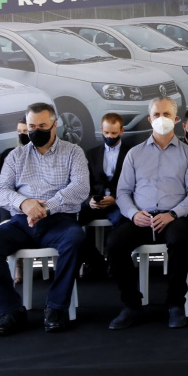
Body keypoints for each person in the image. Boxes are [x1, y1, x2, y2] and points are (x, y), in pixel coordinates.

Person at [0, 102, 90, 336]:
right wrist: (24, 203)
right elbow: (0, 191)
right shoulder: (16, 156)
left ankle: (55, 307)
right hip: (21, 222)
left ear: (54, 126)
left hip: (59, 220)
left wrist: (46, 207)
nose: (36, 131)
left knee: (76, 239)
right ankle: (11, 311)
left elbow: (80, 188)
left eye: (42, 126)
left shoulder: (73, 152)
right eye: (31, 127)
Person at [107, 97, 188, 330]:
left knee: (179, 240)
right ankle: (131, 305)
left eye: (166, 114)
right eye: (157, 115)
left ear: (176, 119)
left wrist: (173, 214)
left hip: (173, 217)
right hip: (141, 217)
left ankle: (175, 304)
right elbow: (123, 192)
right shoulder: (134, 154)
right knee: (115, 243)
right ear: (150, 120)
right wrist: (133, 214)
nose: (161, 119)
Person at [78, 113, 132, 279]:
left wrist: (115, 198)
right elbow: (84, 183)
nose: (110, 136)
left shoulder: (131, 153)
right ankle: (96, 261)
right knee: (70, 222)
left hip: (120, 202)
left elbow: (136, 183)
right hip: (96, 202)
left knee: (122, 223)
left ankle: (116, 264)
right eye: (107, 133)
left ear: (122, 131)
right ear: (101, 129)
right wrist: (90, 201)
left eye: (114, 133)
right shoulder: (91, 154)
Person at [0, 119, 30, 222]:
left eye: (25, 131)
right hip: (13, 210)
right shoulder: (9, 154)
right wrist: (5, 219)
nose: (22, 135)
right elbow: (2, 188)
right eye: (19, 131)